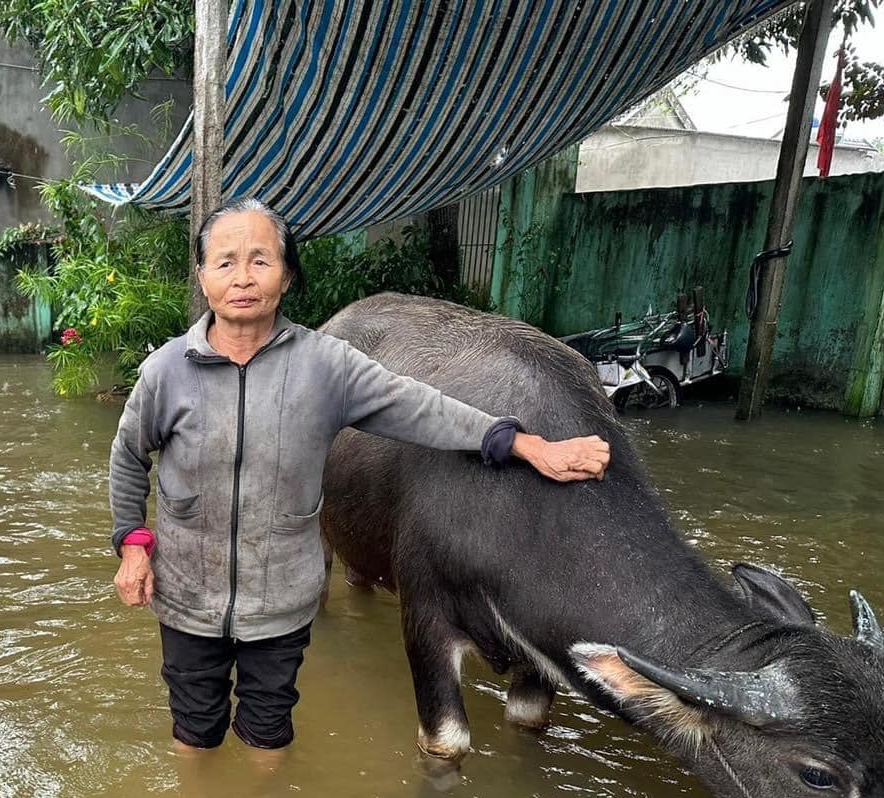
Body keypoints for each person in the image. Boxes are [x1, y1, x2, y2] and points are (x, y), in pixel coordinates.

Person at [108, 198, 610, 753]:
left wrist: (521, 441)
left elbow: (420, 407)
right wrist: (132, 546)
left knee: (268, 733)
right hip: (188, 594)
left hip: (281, 600)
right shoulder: (165, 373)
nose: (242, 277)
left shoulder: (327, 366)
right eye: (225, 262)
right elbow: (128, 457)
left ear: (287, 275)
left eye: (260, 260)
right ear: (203, 278)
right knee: (194, 731)